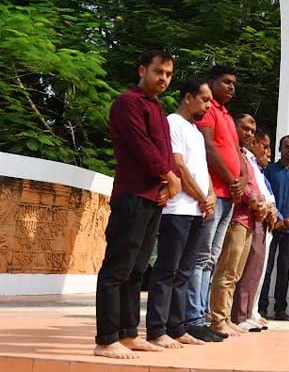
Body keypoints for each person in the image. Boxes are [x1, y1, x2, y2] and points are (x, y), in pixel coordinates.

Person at [94, 50, 181, 359]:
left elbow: (165, 153)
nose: (164, 79)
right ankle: (106, 338)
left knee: (137, 269)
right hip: (131, 195)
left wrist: (165, 184)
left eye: (169, 74)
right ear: (142, 69)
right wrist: (169, 177)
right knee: (117, 268)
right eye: (159, 71)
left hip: (152, 196)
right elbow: (141, 147)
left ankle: (128, 333)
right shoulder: (127, 102)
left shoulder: (156, 107)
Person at [146, 79, 216, 348]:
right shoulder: (173, 123)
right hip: (178, 210)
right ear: (188, 98)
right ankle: (156, 329)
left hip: (198, 210)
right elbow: (178, 165)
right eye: (205, 99)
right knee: (167, 270)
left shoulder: (197, 132)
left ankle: (177, 327)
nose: (208, 105)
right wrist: (201, 197)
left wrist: (209, 196)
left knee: (185, 272)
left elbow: (202, 169)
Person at [185, 65, 247, 341]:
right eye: (226, 82)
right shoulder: (208, 111)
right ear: (211, 83)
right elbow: (208, 148)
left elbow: (236, 152)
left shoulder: (227, 115)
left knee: (212, 259)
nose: (231, 87)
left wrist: (243, 179)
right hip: (214, 192)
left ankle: (207, 317)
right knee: (201, 256)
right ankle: (193, 317)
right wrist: (231, 178)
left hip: (230, 194)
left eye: (234, 82)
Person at [208, 114, 262, 337]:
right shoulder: (231, 152)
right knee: (226, 271)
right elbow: (241, 185)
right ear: (233, 127)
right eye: (245, 128)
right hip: (237, 218)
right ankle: (217, 318)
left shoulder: (246, 156)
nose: (249, 133)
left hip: (250, 219)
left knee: (236, 274)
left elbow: (253, 184)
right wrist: (254, 201)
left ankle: (226, 316)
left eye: (252, 130)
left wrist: (261, 204)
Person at [232, 125, 281, 331]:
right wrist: (262, 205)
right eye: (265, 146)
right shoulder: (243, 158)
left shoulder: (257, 167)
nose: (268, 152)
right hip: (247, 216)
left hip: (263, 218)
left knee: (256, 270)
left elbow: (263, 191)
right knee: (241, 270)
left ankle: (249, 311)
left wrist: (272, 209)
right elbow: (251, 189)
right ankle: (238, 315)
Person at [259, 135, 289, 320]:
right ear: (280, 149)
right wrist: (273, 219)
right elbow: (264, 193)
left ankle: (280, 309)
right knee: (266, 268)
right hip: (270, 226)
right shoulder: (269, 170)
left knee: (284, 270)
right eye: (286, 147)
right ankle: (261, 308)